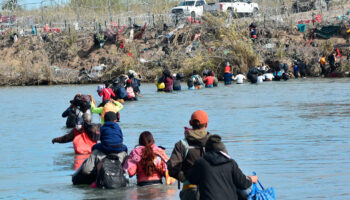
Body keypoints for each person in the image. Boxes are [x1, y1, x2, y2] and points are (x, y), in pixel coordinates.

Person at [187, 135, 258, 200]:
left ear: (207, 150)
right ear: (223, 151)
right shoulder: (231, 163)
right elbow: (243, 184)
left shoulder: (200, 163)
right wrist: (251, 179)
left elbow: (192, 179)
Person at [72, 112, 127, 186]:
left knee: (94, 148)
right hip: (118, 149)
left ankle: (93, 166)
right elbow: (120, 139)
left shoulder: (103, 127)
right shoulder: (118, 127)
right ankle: (124, 171)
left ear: (104, 120)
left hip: (105, 148)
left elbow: (101, 139)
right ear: (115, 120)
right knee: (125, 148)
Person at [167, 110, 211, 200]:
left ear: (190, 123)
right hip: (210, 190)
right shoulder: (213, 143)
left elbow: (172, 168)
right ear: (206, 124)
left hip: (189, 191)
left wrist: (186, 179)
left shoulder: (181, 144)